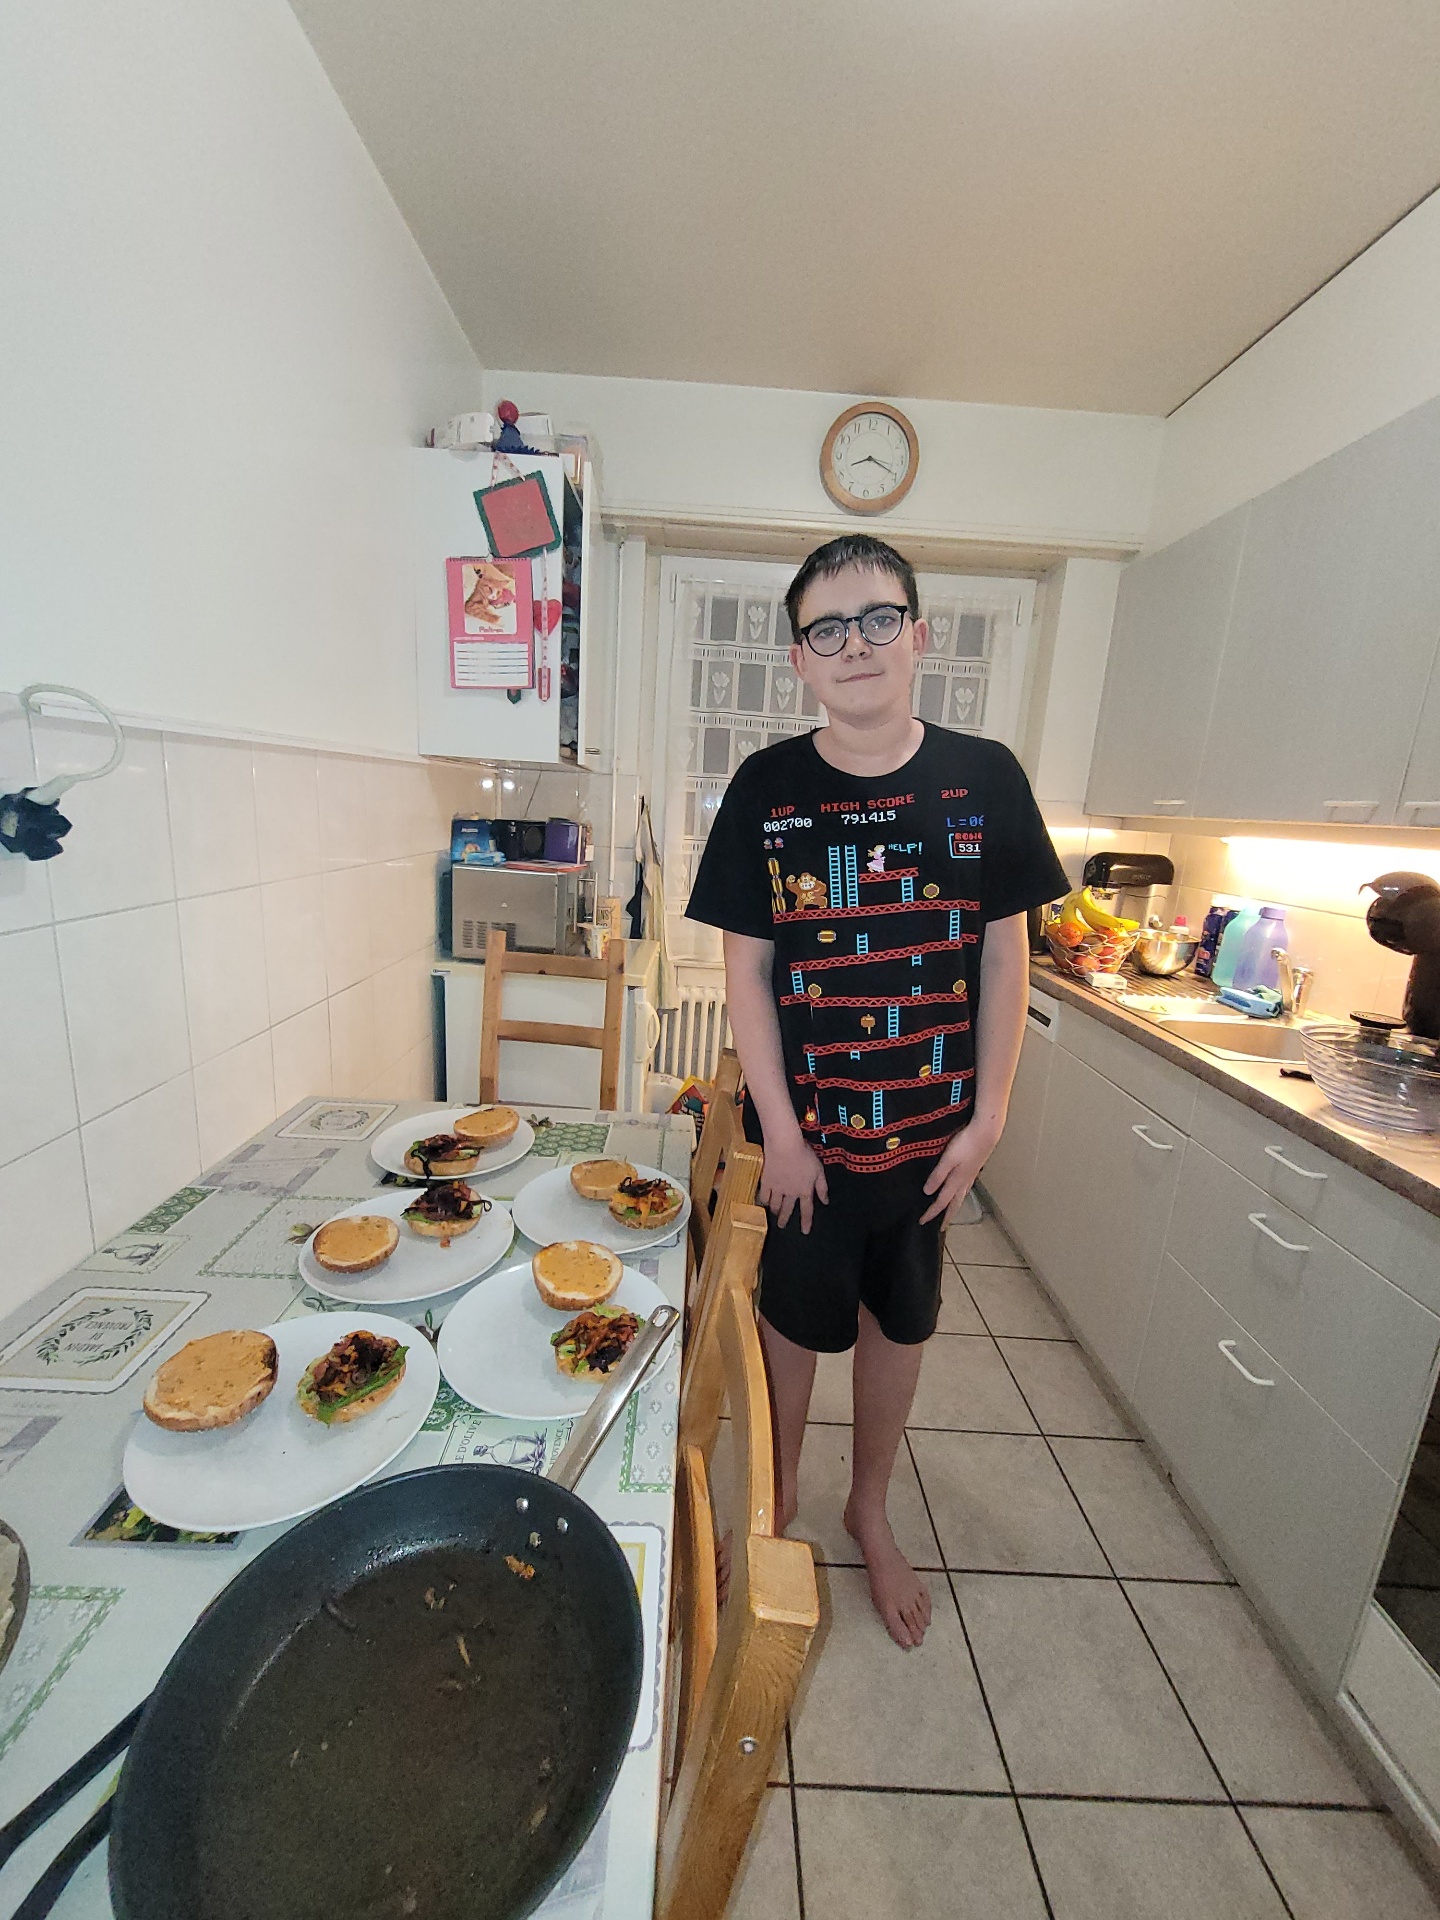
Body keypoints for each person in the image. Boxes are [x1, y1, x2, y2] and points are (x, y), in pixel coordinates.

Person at [685, 534, 1067, 1648]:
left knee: (901, 1326)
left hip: (929, 1144)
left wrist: (990, 1117)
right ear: (800, 658)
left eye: (878, 618)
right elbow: (747, 972)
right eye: (827, 628)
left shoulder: (985, 778)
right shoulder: (767, 788)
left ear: (919, 634)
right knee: (790, 1327)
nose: (855, 644)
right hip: (806, 1144)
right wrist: (783, 1133)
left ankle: (868, 1508)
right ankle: (777, 1503)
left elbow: (1006, 959)